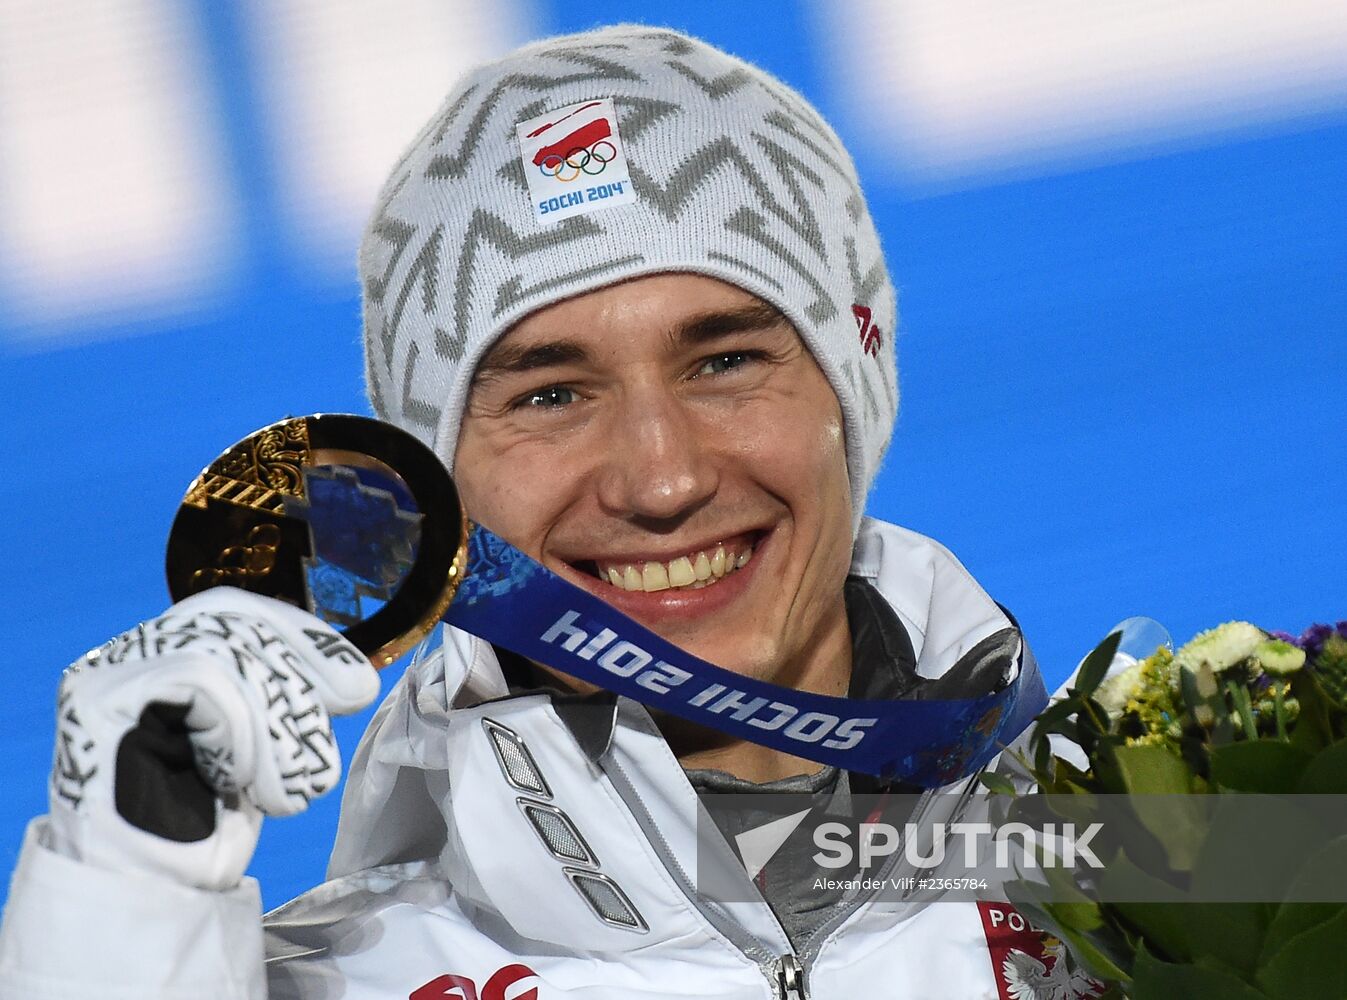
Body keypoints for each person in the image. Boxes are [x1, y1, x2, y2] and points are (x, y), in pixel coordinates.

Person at [0, 25, 1098, 1000]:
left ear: (851, 389)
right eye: (551, 394)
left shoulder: (1180, 865)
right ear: (437, 490)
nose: (661, 479)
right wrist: (118, 922)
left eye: (723, 359)